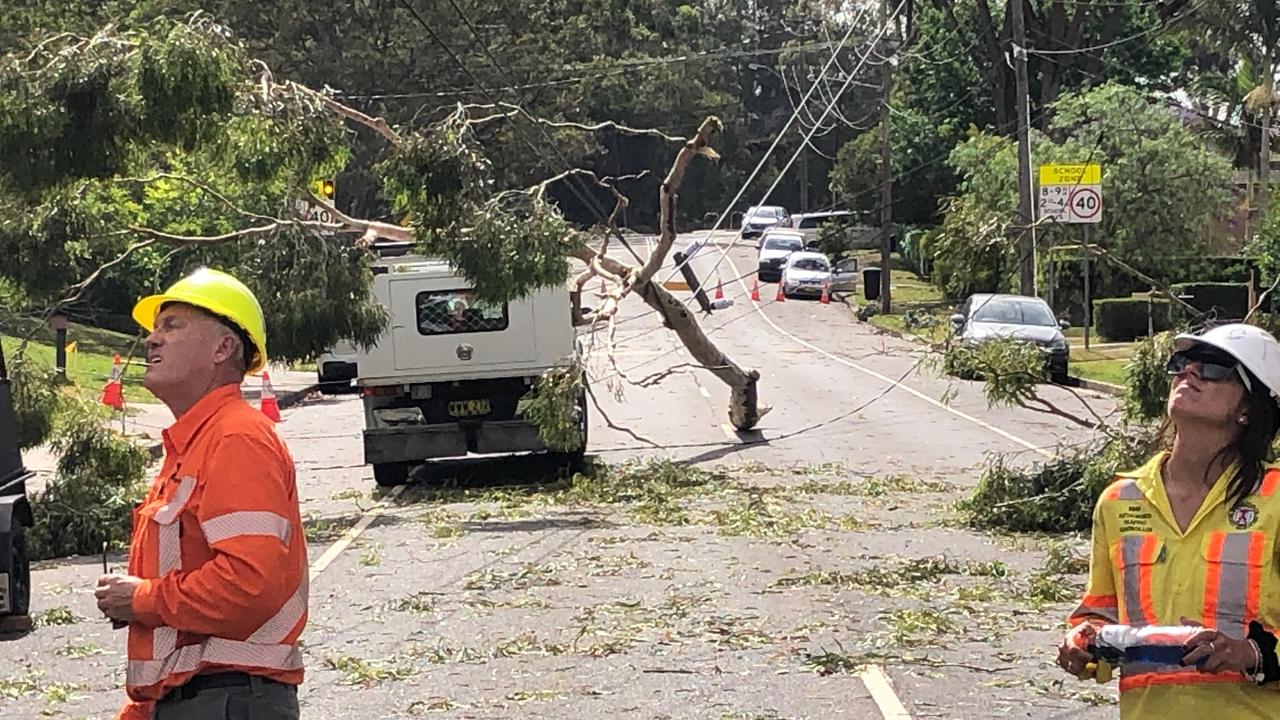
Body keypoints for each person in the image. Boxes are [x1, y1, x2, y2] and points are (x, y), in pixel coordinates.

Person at [94, 268, 307, 720]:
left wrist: (142, 599)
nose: (152, 340)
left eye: (172, 326)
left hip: (227, 700)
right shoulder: (194, 444)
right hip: (204, 700)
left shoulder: (237, 438)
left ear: (223, 348)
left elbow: (248, 586)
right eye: (155, 328)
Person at [1057, 323, 1280, 718]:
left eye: (1214, 367)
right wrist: (1083, 643)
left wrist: (1251, 653)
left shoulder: (1275, 499)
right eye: (1182, 363)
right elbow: (1099, 614)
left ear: (1250, 408)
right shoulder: (1119, 500)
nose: (1189, 372)